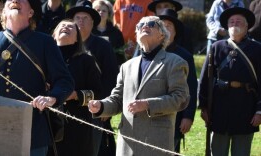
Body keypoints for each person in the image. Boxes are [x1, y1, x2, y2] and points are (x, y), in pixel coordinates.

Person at [88, 16, 190, 156]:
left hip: (156, 144)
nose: (145, 26)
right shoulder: (126, 66)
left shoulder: (175, 62)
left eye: (151, 24)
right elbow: (118, 99)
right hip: (127, 144)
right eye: (141, 24)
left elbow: (180, 99)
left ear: (162, 34)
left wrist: (148, 104)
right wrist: (101, 106)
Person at [0, 0, 74, 155]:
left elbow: (65, 81)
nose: (15, 0)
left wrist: (52, 98)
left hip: (32, 130)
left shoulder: (45, 42)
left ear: (31, 12)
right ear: (3, 12)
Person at [199, 7, 261, 156]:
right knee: (217, 152)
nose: (234, 23)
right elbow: (205, 79)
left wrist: (259, 110)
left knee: (241, 152)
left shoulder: (257, 49)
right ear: (227, 26)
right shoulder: (216, 47)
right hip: (219, 109)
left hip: (246, 109)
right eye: (231, 21)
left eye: (239, 21)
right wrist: (204, 106)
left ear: (247, 26)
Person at [65, 1, 119, 155]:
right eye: (77, 17)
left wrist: (105, 106)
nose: (81, 21)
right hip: (67, 107)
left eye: (85, 17)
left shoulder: (103, 46)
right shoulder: (64, 42)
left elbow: (111, 77)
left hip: (94, 108)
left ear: (93, 22)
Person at [52, 19, 103, 156]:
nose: (66, 27)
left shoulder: (86, 60)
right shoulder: (45, 58)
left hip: (77, 125)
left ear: (77, 39)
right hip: (48, 123)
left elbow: (98, 93)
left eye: (71, 27)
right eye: (62, 26)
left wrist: (75, 95)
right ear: (54, 35)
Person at [157, 9, 197, 154]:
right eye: (161, 25)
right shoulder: (146, 53)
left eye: (169, 26)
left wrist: (188, 116)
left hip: (175, 115)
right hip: (148, 116)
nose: (165, 29)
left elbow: (191, 87)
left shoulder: (184, 56)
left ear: (175, 32)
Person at [92, 0, 125, 66]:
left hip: (111, 68)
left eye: (104, 11)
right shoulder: (89, 31)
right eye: (98, 10)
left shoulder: (116, 33)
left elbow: (121, 56)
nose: (101, 12)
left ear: (109, 14)